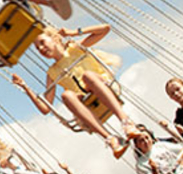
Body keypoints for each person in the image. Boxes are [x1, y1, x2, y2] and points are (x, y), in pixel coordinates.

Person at [12, 23, 136, 157]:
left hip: (101, 84)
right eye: (38, 48)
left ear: (54, 38)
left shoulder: (76, 48)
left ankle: (126, 122)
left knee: (87, 76)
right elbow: (45, 108)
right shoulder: (52, 73)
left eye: (42, 43)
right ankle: (110, 139)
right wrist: (25, 87)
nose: (41, 49)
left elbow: (105, 29)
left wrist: (75, 32)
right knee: (67, 95)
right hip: (85, 100)